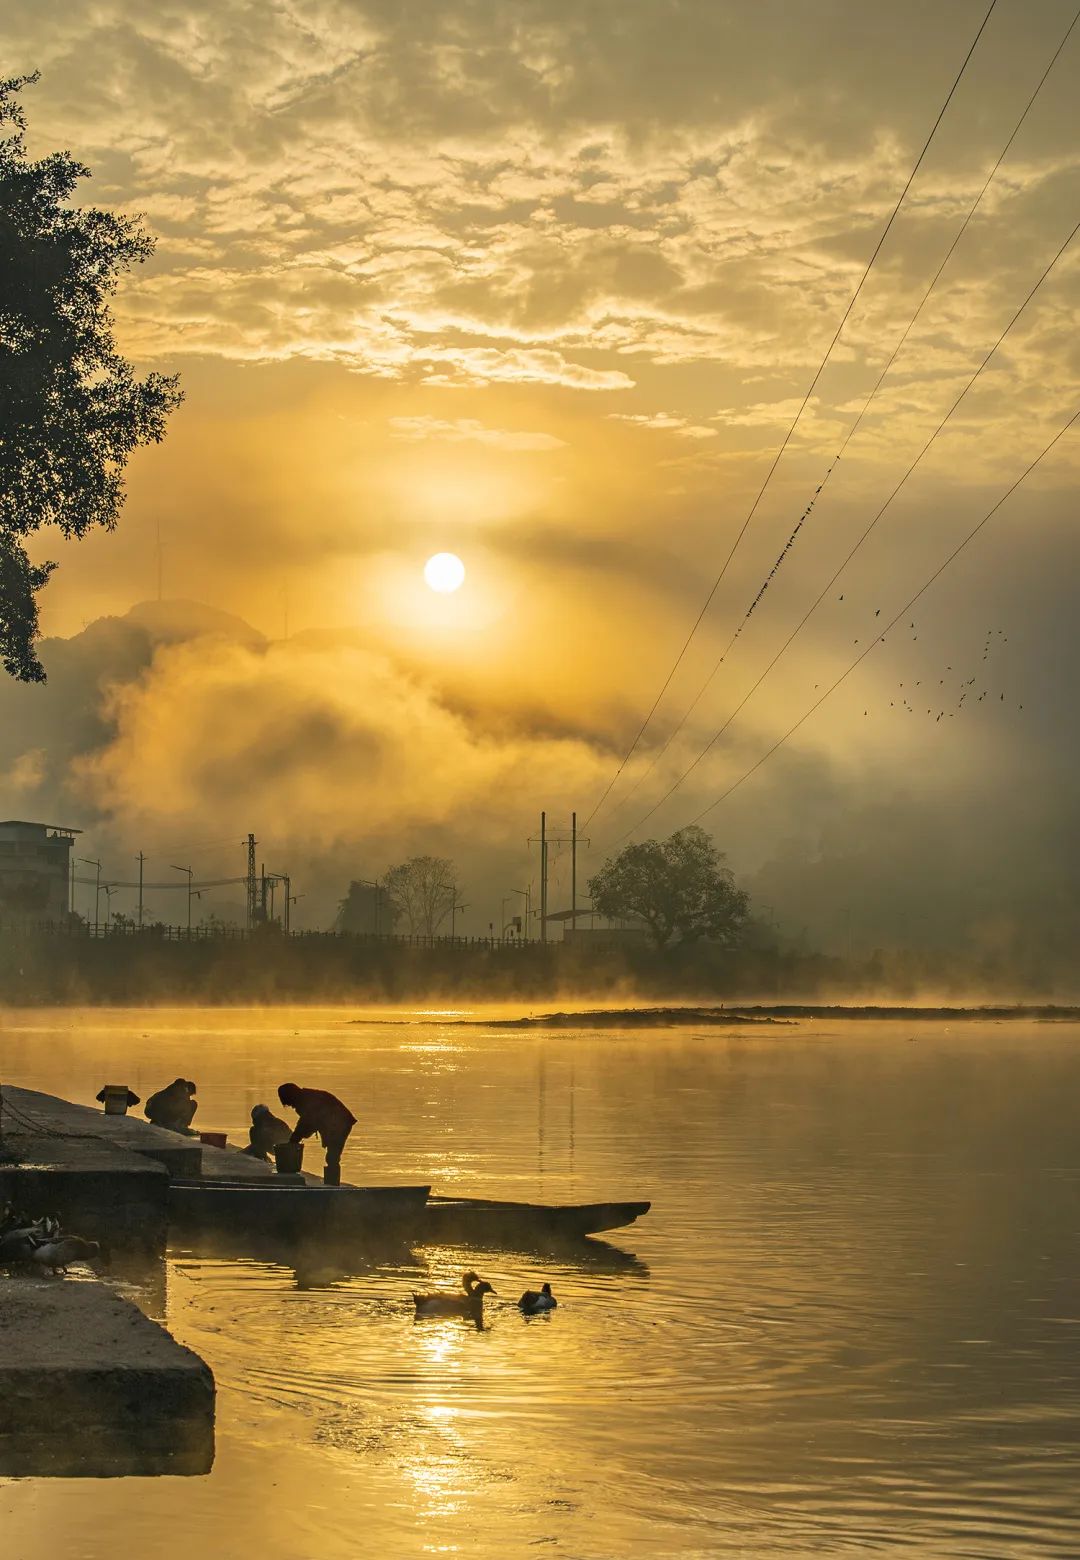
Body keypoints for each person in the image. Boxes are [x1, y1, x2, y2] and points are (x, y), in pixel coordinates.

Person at [277, 1083, 356, 1185]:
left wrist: (294, 1140)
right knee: (332, 1157)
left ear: (291, 1097)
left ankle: (332, 1186)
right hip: (333, 1123)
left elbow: (306, 1123)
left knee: (332, 1157)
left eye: (289, 1103)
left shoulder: (306, 1100)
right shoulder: (304, 1098)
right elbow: (308, 1124)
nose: (291, 1106)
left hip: (341, 1122)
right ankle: (332, 1184)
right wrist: (297, 1138)